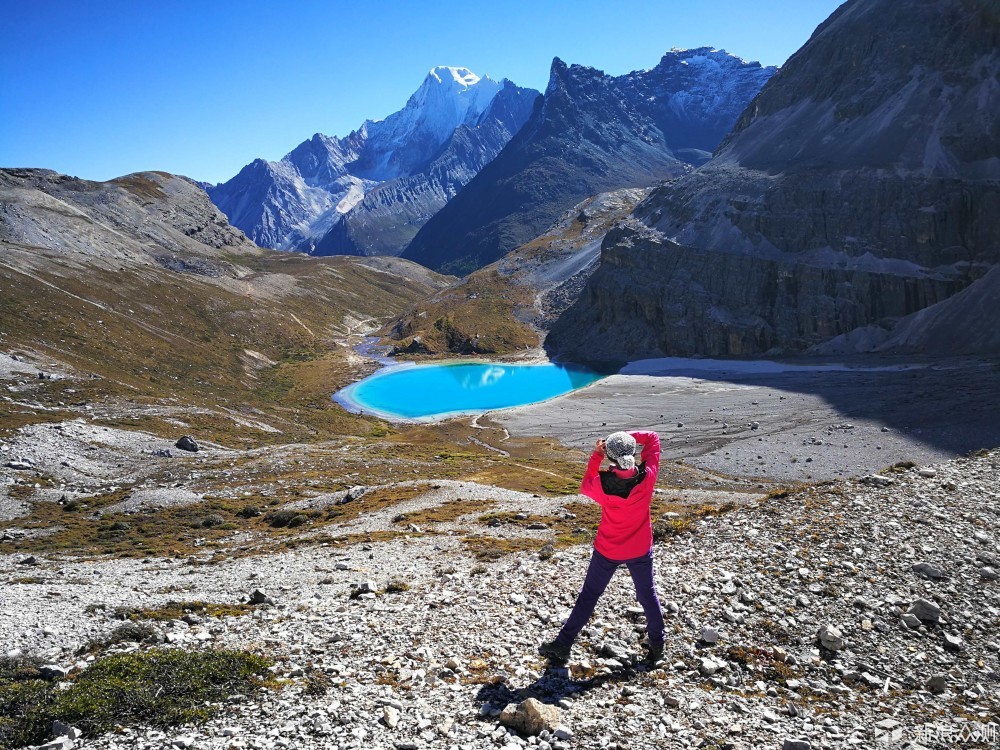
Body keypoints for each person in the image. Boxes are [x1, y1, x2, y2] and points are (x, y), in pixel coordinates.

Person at [539, 430, 665, 664]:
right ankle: (657, 646)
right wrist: (624, 437)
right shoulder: (648, 476)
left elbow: (586, 484)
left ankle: (563, 644)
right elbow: (653, 438)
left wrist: (599, 452)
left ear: (610, 457)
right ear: (633, 452)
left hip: (608, 549)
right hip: (639, 548)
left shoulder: (601, 485)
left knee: (589, 596)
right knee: (648, 595)